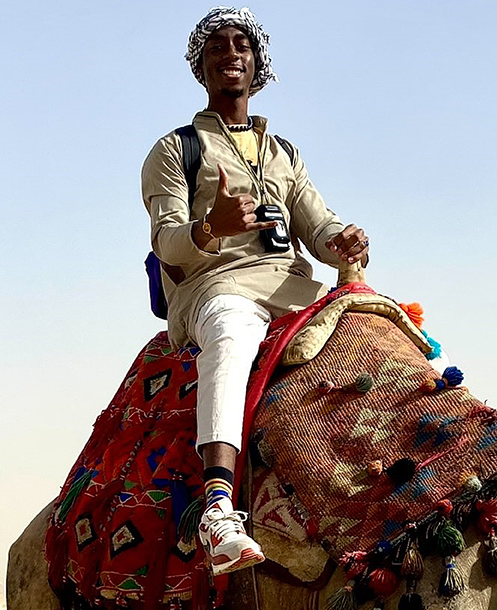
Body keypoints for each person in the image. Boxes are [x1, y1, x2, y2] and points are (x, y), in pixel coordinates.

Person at [140, 7, 371, 576]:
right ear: (202, 67)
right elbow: (167, 241)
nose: (230, 54)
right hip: (215, 286)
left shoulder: (283, 152)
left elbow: (316, 225)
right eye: (216, 46)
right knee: (233, 331)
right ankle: (218, 507)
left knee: (378, 330)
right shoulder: (177, 151)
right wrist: (211, 225)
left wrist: (342, 238)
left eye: (241, 44)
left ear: (256, 62)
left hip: (291, 286)